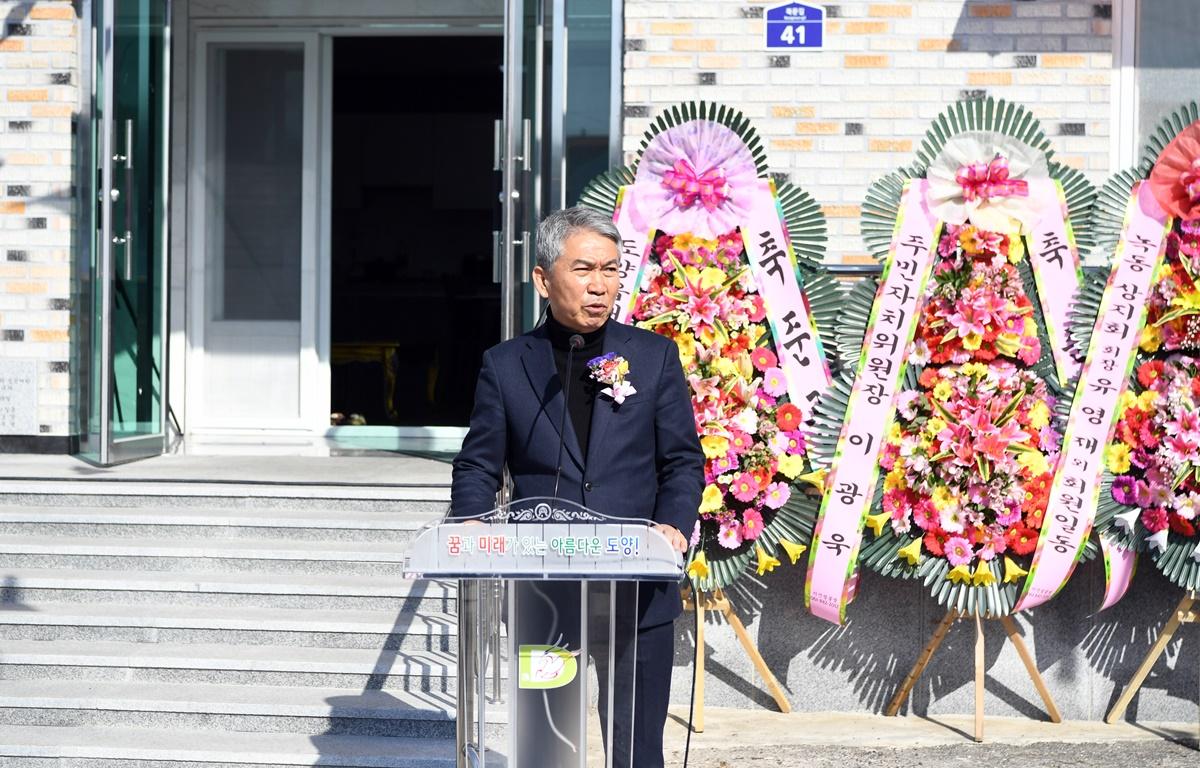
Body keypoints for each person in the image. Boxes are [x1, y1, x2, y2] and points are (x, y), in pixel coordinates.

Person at [451, 206, 705, 767]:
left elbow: (683, 462)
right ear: (543, 279)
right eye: (585, 269)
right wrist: (468, 522)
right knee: (546, 746)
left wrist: (672, 526)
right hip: (544, 589)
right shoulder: (505, 365)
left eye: (611, 270)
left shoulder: (652, 357)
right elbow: (478, 465)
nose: (600, 286)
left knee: (638, 747)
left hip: (637, 585)